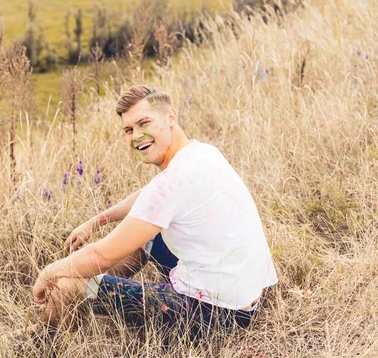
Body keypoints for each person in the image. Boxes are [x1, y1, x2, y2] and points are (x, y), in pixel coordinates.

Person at [32, 84, 278, 339]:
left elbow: (101, 255)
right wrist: (97, 220)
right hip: (244, 296)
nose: (136, 136)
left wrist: (48, 272)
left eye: (144, 123)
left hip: (218, 315)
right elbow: (147, 197)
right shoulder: (201, 153)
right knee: (146, 236)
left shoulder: (172, 182)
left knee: (66, 285)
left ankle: (38, 338)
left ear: (170, 117)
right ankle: (92, 291)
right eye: (129, 130)